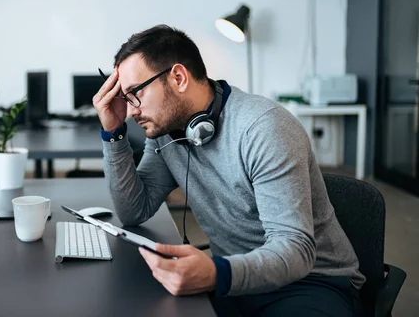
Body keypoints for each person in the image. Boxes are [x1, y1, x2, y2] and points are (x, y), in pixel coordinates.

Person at [92, 25, 365, 316]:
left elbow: (296, 251)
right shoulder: (167, 133)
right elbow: (134, 210)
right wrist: (113, 133)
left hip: (310, 281)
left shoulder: (263, 129)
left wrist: (216, 273)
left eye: (135, 93)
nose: (132, 111)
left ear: (179, 78)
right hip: (233, 278)